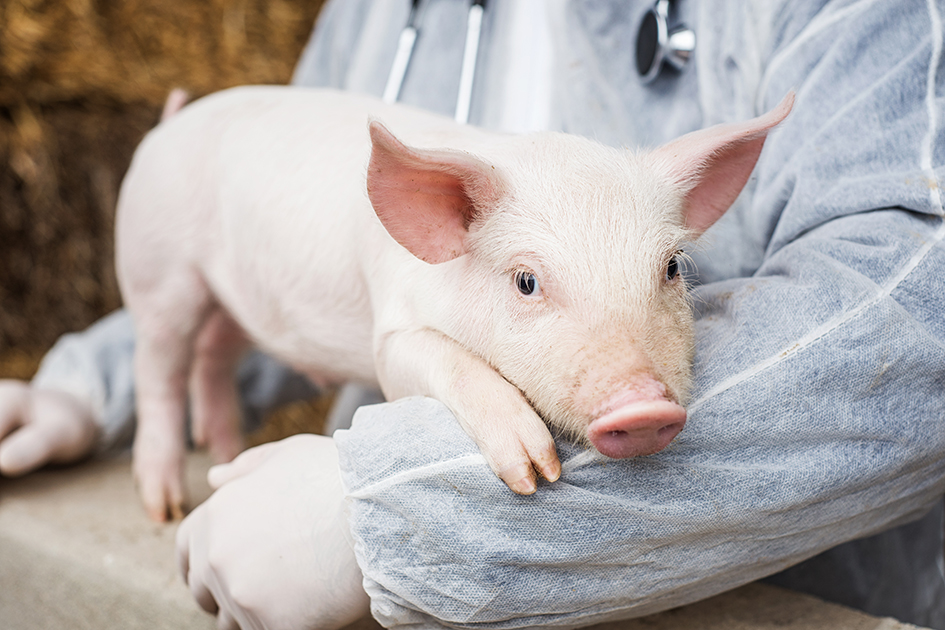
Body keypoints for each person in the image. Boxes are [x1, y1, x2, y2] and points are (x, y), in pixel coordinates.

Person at [1, 0, 944, 628]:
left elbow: (912, 304)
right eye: (532, 282)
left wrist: (389, 503)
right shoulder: (374, 19)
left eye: (672, 272)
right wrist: (101, 384)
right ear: (432, 208)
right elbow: (286, 264)